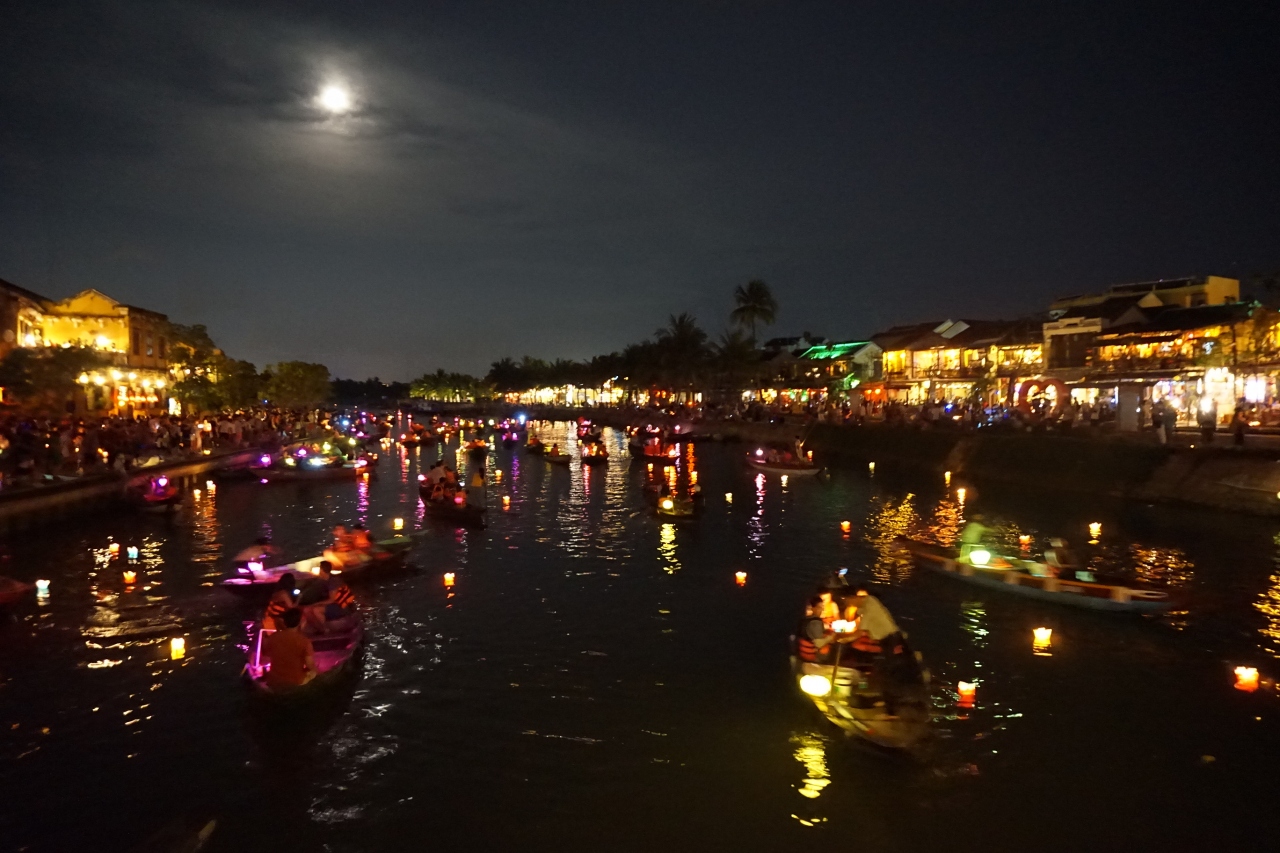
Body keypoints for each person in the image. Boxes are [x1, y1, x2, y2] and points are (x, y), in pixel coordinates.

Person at [263, 607, 315, 688]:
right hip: (295, 682)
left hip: (274, 681)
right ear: (300, 622)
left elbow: (266, 657)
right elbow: (309, 664)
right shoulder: (304, 641)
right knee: (313, 675)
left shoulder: (272, 638)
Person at [796, 597, 833, 663]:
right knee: (834, 650)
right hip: (810, 656)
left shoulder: (805, 619)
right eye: (819, 607)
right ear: (813, 608)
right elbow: (819, 644)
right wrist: (832, 636)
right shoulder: (816, 622)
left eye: (822, 607)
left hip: (802, 653)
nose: (821, 610)